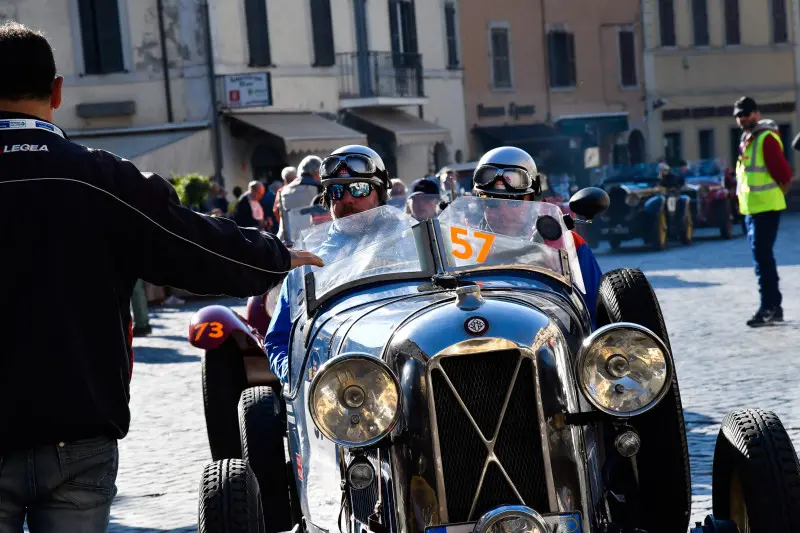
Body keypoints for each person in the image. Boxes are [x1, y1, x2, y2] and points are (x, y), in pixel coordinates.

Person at [0, 21, 323, 532]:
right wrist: (275, 256)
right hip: (78, 425)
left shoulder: (102, 178)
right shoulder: (102, 179)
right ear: (58, 91)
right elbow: (191, 243)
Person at [265, 145, 392, 382]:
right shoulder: (307, 262)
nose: (347, 199)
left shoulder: (410, 245)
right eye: (336, 191)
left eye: (359, 189)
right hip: (340, 391)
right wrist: (301, 380)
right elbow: (279, 340)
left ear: (380, 193)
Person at [471, 146, 604, 328]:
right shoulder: (462, 245)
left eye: (515, 202)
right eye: (491, 202)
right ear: (479, 202)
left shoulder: (567, 244)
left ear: (533, 198)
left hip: (554, 339)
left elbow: (597, 310)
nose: (503, 211)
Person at [733, 96, 793, 326]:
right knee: (762, 259)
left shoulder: (765, 138)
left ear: (756, 114)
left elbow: (784, 174)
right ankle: (773, 307)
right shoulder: (747, 139)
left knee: (763, 259)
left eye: (745, 114)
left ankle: (769, 307)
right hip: (752, 209)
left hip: (766, 208)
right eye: (738, 115)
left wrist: (777, 195)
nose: (742, 119)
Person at [274, 156, 324, 241]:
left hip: (289, 241)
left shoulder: (284, 190)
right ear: (316, 172)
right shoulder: (320, 189)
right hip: (313, 240)